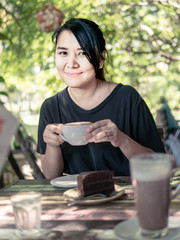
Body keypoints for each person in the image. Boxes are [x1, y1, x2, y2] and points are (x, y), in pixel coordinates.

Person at [37, 18, 165, 179]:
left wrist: (121, 139)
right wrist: (52, 144)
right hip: (75, 200)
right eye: (63, 53)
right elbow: (51, 176)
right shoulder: (51, 107)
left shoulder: (127, 98)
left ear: (101, 60)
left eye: (82, 53)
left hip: (128, 198)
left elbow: (157, 165)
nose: (71, 63)